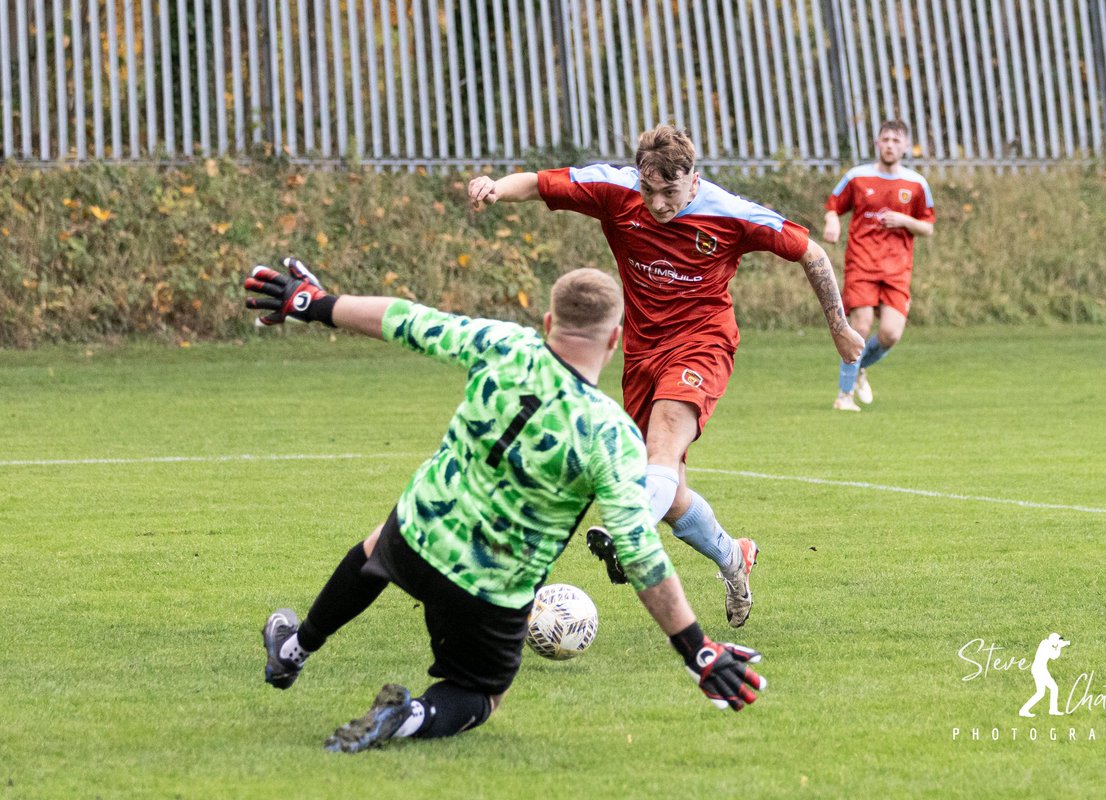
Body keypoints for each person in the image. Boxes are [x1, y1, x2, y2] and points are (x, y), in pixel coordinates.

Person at [244, 257, 766, 753]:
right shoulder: (610, 434)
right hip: (491, 590)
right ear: (615, 338)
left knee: (377, 545)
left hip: (419, 534)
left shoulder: (504, 344)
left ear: (547, 321)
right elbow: (639, 553)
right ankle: (406, 718)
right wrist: (697, 649)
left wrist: (314, 302)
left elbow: (406, 319)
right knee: (480, 694)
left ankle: (294, 650)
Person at [467, 124, 863, 628]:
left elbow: (811, 252)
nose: (656, 203)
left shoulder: (729, 213)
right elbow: (541, 183)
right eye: (649, 189)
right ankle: (732, 556)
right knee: (667, 487)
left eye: (669, 192)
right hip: (641, 353)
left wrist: (839, 326)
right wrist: (495, 188)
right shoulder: (616, 189)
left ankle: (628, 530)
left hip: (703, 343)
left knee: (661, 453)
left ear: (693, 179)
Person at [823, 120, 935, 412]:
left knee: (890, 334)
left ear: (905, 146)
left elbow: (928, 227)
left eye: (896, 140)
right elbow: (834, 204)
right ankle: (843, 396)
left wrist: (906, 221)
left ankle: (859, 366)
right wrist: (832, 221)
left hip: (897, 269)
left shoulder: (916, 184)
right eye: (885, 139)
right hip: (862, 263)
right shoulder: (857, 177)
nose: (890, 145)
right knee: (859, 327)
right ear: (877, 143)